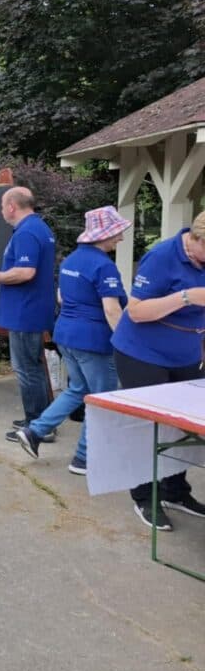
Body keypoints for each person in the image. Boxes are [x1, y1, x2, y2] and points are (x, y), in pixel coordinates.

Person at [13, 206, 131, 474]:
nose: (121, 238)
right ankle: (83, 459)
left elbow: (61, 298)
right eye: (117, 233)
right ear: (103, 234)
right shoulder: (104, 266)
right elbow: (111, 309)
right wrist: (127, 343)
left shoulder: (70, 261)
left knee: (78, 388)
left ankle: (34, 431)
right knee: (101, 399)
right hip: (94, 341)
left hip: (66, 335)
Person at [108, 209, 205, 531]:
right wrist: (186, 297)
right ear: (196, 240)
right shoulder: (162, 257)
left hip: (187, 353)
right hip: (142, 353)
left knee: (184, 426)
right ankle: (144, 496)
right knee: (147, 427)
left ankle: (175, 490)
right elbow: (136, 312)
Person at [0, 187, 56, 438]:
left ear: (12, 206)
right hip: (32, 309)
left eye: (2, 206)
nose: (1, 211)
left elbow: (25, 272)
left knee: (27, 369)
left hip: (25, 311)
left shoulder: (27, 232)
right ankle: (41, 421)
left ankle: (38, 428)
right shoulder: (39, 228)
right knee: (33, 366)